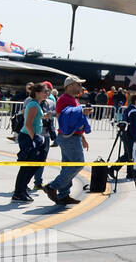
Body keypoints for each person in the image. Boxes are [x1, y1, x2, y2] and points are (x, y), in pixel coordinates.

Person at [42, 77, 89, 205]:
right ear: (69, 86)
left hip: (73, 137)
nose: (80, 87)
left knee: (67, 166)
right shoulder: (64, 100)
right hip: (69, 138)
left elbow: (77, 121)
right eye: (78, 84)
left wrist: (83, 137)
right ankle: (52, 186)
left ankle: (64, 195)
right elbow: (66, 116)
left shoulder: (73, 99)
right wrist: (80, 111)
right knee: (78, 163)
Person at [12, 82, 51, 202]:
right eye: (45, 91)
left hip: (31, 136)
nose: (47, 93)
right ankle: (19, 192)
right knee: (27, 166)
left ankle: (21, 190)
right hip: (28, 137)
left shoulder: (35, 104)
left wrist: (44, 116)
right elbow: (28, 124)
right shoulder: (34, 104)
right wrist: (35, 138)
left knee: (33, 165)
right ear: (37, 93)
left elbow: (34, 118)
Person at [120, 92, 136, 179]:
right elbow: (134, 127)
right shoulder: (134, 111)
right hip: (129, 135)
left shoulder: (128, 109)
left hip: (126, 134)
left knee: (130, 155)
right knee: (128, 155)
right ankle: (113, 169)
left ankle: (130, 173)